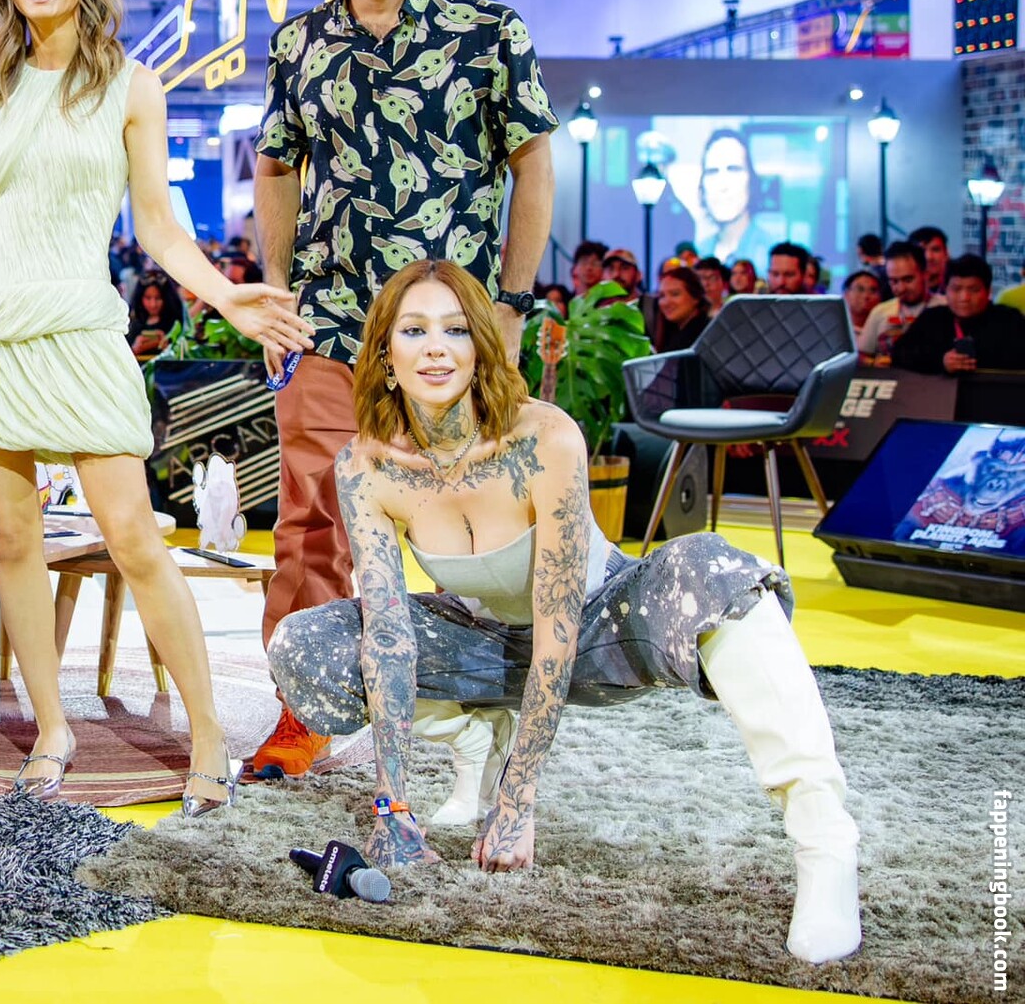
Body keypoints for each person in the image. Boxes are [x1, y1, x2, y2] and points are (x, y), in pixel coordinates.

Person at [267, 260, 860, 965]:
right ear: (385, 356)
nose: (436, 348)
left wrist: (516, 797)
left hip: (600, 624)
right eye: (414, 330)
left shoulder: (542, 437)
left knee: (718, 571)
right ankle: (474, 737)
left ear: (482, 345)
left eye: (456, 329)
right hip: (481, 638)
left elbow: (558, 627)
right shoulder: (366, 465)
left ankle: (825, 840)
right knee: (307, 644)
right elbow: (390, 636)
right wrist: (392, 808)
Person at [0, 0, 311, 813]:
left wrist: (224, 293)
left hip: (78, 328)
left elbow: (157, 224)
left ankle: (206, 735)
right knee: (14, 541)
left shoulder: (131, 85)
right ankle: (52, 728)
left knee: (134, 538)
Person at [248, 0, 558, 782]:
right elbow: (276, 164)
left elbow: (532, 165)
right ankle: (306, 710)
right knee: (313, 521)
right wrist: (276, 292)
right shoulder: (299, 44)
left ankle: (505, 698)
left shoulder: (488, 30)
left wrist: (510, 306)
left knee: (486, 520)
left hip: (454, 334)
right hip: (331, 324)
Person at [892, 255, 1025, 375]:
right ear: (946, 290)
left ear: (988, 291)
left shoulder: (1009, 320)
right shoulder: (933, 318)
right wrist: (941, 361)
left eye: (974, 290)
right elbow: (899, 353)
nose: (964, 297)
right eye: (956, 289)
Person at [682, 130, 788, 265]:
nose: (722, 184)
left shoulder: (773, 254)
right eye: (712, 171)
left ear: (751, 180)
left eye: (733, 169)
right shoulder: (698, 253)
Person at [856, 241, 943, 362]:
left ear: (925, 274)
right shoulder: (880, 312)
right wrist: (873, 363)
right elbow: (861, 355)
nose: (901, 288)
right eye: (894, 281)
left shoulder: (945, 308)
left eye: (908, 280)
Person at [652, 266, 710, 353]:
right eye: (662, 296)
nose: (666, 302)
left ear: (695, 297)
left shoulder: (707, 334)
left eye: (675, 294)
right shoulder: (671, 333)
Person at [128, 275, 185, 360]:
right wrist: (134, 349)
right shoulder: (132, 323)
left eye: (158, 298)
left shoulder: (176, 324)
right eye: (148, 298)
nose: (153, 304)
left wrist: (168, 347)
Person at [840, 270, 884, 349]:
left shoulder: (885, 331)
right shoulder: (837, 330)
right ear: (845, 294)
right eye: (860, 289)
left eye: (873, 290)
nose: (866, 296)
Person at [909, 225, 951, 298]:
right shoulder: (902, 292)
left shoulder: (958, 289)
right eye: (922, 251)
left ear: (946, 254)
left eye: (935, 250)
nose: (929, 257)